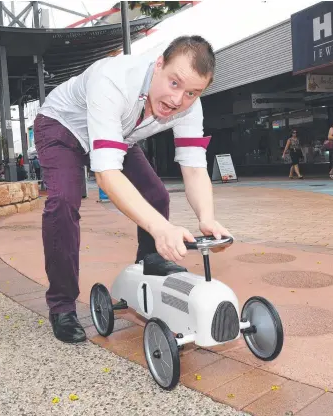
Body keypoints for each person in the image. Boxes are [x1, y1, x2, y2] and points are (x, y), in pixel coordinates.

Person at [34, 35, 232, 344]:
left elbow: (194, 166)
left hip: (117, 134)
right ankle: (62, 306)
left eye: (193, 92)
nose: (178, 100)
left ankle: (149, 261)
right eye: (174, 83)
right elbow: (107, 175)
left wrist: (207, 218)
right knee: (63, 202)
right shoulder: (113, 80)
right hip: (63, 127)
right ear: (158, 64)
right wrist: (161, 227)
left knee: (156, 195)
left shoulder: (190, 107)